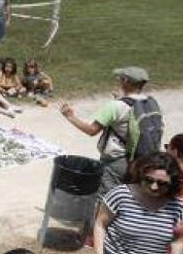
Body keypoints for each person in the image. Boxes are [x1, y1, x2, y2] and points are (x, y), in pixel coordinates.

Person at [60, 67, 159, 197]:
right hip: (139, 160)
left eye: (121, 78)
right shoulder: (151, 103)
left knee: (107, 200)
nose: (118, 80)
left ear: (126, 82)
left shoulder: (115, 106)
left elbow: (92, 130)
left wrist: (70, 116)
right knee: (130, 198)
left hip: (116, 162)